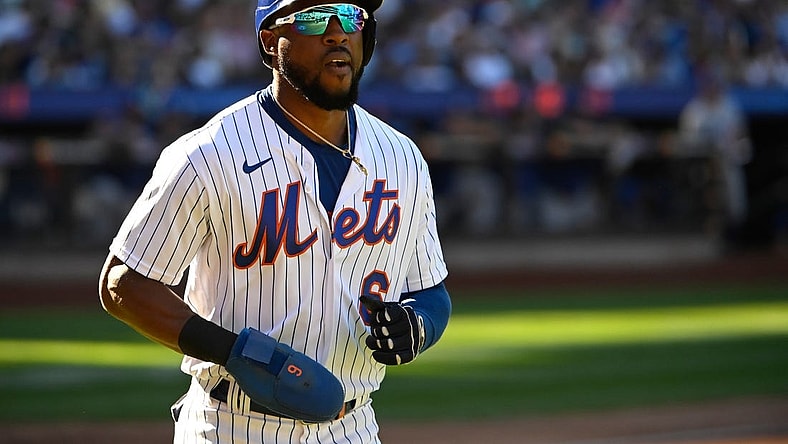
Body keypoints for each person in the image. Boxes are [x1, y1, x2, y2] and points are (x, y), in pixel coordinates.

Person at [98, 1, 452, 442]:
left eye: (350, 16)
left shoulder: (403, 158)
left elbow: (430, 289)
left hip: (353, 427)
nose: (337, 33)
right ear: (270, 39)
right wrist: (238, 354)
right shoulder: (208, 154)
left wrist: (418, 325)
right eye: (313, 17)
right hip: (231, 424)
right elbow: (123, 284)